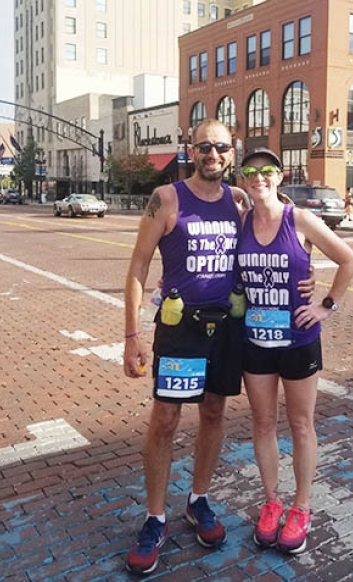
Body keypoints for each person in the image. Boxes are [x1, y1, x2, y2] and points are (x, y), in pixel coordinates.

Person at [121, 120, 313, 574]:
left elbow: (283, 230)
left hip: (227, 326)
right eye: (204, 146)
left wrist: (308, 278)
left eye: (221, 147)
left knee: (213, 412)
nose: (213, 154)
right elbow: (138, 263)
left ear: (232, 152)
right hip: (181, 327)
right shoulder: (166, 199)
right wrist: (131, 335)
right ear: (191, 150)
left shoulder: (240, 200)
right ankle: (155, 517)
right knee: (166, 418)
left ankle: (198, 499)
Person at [236, 148, 353, 554]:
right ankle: (272, 503)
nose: (259, 178)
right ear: (243, 179)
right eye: (251, 172)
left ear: (280, 176)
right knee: (263, 424)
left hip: (299, 340)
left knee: (301, 424)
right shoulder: (240, 223)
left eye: (267, 171)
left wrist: (325, 305)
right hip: (255, 342)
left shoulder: (300, 220)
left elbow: (349, 260)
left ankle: (301, 507)